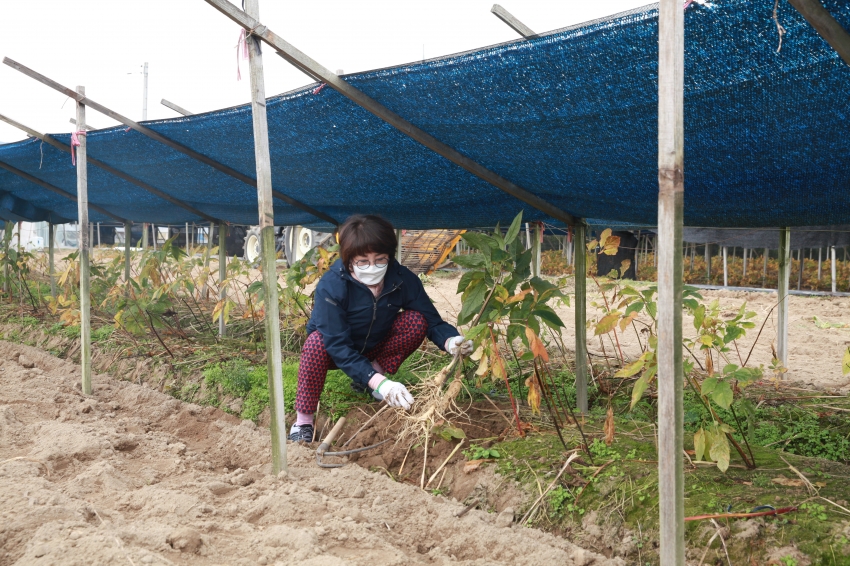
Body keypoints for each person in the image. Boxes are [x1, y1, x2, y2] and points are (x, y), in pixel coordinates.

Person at [288, 214, 473, 442]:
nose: (372, 267)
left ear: (390, 257)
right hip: (336, 353)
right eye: (362, 261)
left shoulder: (401, 279)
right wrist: (380, 383)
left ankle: (373, 377)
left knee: (415, 321)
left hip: (375, 344)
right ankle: (304, 421)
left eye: (380, 260)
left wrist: (451, 341)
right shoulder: (332, 285)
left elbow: (431, 320)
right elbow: (336, 344)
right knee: (316, 342)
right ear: (348, 259)